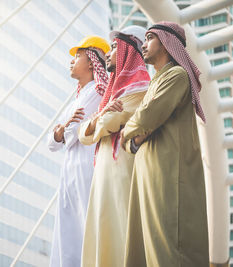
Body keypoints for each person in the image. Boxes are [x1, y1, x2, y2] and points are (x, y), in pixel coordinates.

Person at [121, 21, 209, 267]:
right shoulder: (157, 82)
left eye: (149, 38)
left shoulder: (177, 75)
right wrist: (133, 137)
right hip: (151, 176)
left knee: (169, 250)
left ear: (167, 43)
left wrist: (130, 132)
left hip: (169, 178)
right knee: (148, 251)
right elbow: (135, 132)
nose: (144, 45)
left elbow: (146, 116)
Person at [78, 26, 150, 267]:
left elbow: (106, 123)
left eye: (116, 47)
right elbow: (84, 135)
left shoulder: (140, 89)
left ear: (131, 51)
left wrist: (98, 120)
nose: (109, 53)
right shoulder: (113, 95)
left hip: (123, 170)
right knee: (102, 236)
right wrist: (101, 118)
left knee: (122, 235)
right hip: (104, 172)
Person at [47, 35, 110, 267]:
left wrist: (63, 130)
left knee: (85, 228)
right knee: (66, 232)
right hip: (69, 171)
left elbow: (72, 134)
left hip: (87, 169)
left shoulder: (98, 92)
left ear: (93, 62)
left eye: (78, 56)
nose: (71, 61)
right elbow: (52, 142)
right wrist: (63, 130)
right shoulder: (77, 100)